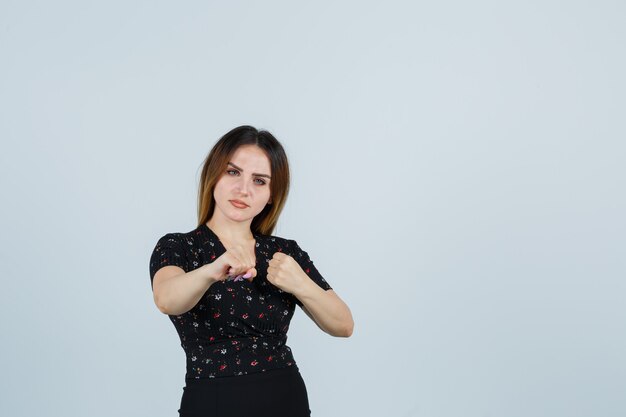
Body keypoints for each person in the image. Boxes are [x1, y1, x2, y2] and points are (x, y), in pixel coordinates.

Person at [148, 125, 354, 417]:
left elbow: (344, 325)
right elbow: (167, 299)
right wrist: (213, 269)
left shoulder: (285, 253)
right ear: (214, 174)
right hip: (213, 401)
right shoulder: (180, 247)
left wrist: (300, 284)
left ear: (271, 194)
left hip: (286, 399)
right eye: (233, 172)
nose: (243, 189)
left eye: (259, 181)